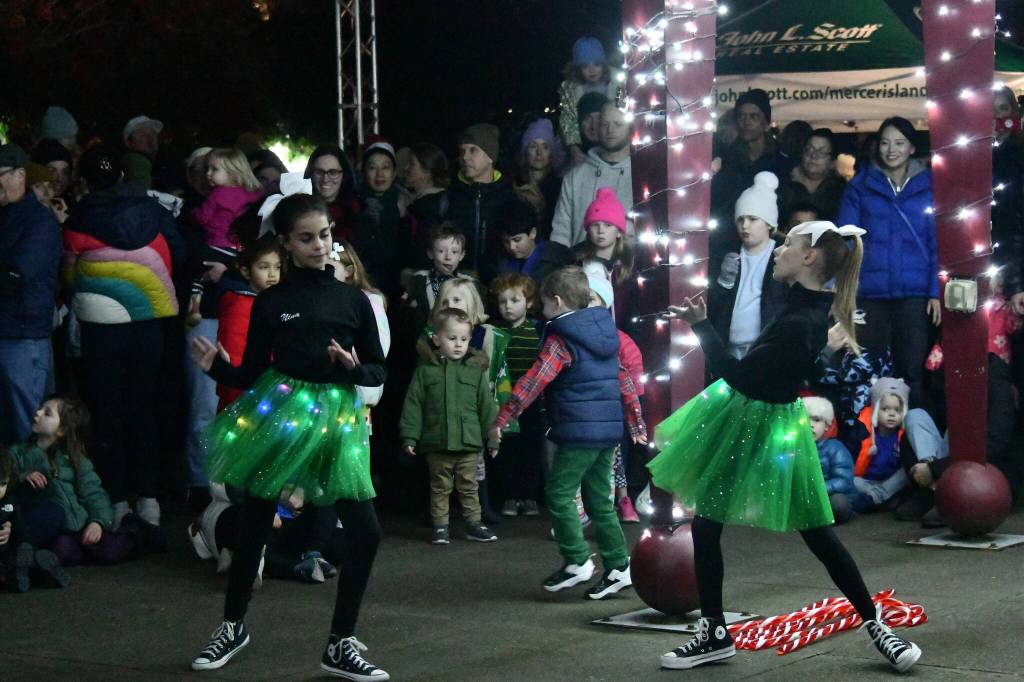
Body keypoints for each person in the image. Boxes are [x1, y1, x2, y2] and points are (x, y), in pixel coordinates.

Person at [649, 221, 921, 672]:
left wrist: (701, 327)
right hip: (761, 420)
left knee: (812, 531)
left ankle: (875, 626)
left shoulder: (801, 320)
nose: (777, 251)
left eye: (787, 245)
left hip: (759, 423)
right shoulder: (804, 308)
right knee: (716, 526)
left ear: (809, 257)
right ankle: (716, 633)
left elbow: (738, 376)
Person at [188, 193, 388, 679]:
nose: (319, 245)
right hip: (282, 412)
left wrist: (353, 368)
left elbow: (378, 368)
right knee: (255, 522)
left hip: (337, 417)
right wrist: (219, 368)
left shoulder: (352, 299)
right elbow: (252, 371)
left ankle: (341, 642)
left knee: (366, 532)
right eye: (306, 238)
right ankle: (232, 626)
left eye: (324, 235)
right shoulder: (272, 302)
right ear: (286, 244)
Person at [489, 266, 647, 600]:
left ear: (557, 302)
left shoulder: (562, 339)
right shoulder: (606, 334)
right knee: (600, 501)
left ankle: (577, 560)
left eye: (543, 302)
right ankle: (619, 565)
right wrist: (635, 423)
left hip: (578, 431)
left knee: (560, 494)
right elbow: (624, 379)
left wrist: (503, 417)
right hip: (608, 432)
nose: (540, 309)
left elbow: (534, 380)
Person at [62, 146, 183, 529]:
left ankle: (116, 501)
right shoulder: (155, 211)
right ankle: (149, 499)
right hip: (149, 323)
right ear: (122, 176)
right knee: (143, 408)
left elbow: (69, 274)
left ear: (85, 182)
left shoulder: (79, 218)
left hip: (100, 326)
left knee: (106, 412)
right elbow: (180, 255)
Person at [836, 117, 940, 408]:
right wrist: (845, 290)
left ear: (911, 148)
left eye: (899, 143)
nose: (891, 150)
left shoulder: (930, 186)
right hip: (869, 293)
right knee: (867, 369)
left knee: (912, 371)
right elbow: (846, 240)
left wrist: (935, 291)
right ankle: (865, 432)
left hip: (914, 294)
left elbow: (936, 242)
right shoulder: (860, 186)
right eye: (885, 143)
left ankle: (913, 434)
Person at [10, 396, 153, 568]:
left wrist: (97, 522)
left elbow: (94, 493)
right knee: (61, 545)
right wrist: (22, 476)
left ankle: (136, 531)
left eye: (47, 413)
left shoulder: (75, 459)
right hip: (50, 526)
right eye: (40, 408)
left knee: (110, 551)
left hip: (80, 525)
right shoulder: (18, 453)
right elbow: (5, 484)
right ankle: (25, 556)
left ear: (62, 429)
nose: (37, 413)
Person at [400, 307, 500, 544]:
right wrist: (410, 436)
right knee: (439, 487)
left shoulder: (474, 371)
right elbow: (413, 406)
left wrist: (493, 437)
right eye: (452, 338)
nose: (458, 344)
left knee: (469, 486)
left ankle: (474, 524)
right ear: (437, 340)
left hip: (468, 442)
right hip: (437, 442)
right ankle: (440, 526)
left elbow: (487, 407)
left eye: (464, 339)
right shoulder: (425, 371)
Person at [0, 143, 62, 447]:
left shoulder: (40, 221)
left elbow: (16, 276)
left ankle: (32, 477)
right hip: (11, 332)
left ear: (20, 175)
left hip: (23, 338)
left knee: (27, 424)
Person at [707, 172, 786, 360]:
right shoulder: (727, 256)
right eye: (740, 219)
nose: (745, 225)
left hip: (768, 351)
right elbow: (711, 306)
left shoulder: (782, 256)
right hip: (729, 349)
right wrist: (723, 282)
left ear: (769, 224)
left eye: (752, 219)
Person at [586, 274, 644, 524]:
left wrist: (632, 409)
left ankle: (622, 499)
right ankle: (589, 505)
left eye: (590, 299)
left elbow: (633, 371)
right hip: (586, 410)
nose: (585, 304)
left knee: (615, 459)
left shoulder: (619, 339)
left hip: (614, 409)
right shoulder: (572, 335)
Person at [489, 274, 544, 517]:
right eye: (503, 301)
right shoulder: (495, 331)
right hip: (503, 402)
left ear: (529, 302)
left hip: (531, 403)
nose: (508, 306)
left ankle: (529, 496)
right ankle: (510, 496)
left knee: (530, 449)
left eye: (515, 300)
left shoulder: (536, 330)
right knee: (507, 450)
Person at [215, 235, 285, 411]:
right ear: (246, 272)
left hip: (270, 394)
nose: (272, 274)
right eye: (264, 267)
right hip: (245, 399)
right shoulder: (240, 306)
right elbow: (234, 356)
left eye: (277, 267)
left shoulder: (275, 303)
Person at [551, 102, 634, 248]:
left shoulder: (641, 177)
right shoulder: (575, 176)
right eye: (604, 124)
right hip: (579, 260)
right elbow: (560, 231)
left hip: (627, 261)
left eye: (618, 124)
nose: (610, 130)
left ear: (630, 127)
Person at [447, 123, 515, 279]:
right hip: (456, 285)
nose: (465, 157)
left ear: (490, 156)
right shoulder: (448, 198)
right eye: (462, 151)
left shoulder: (510, 198)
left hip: (498, 286)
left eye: (473, 150)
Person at [0, 445, 67, 591]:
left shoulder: (9, 501)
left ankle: (36, 566)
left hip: (7, 551)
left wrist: (11, 531)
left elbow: (21, 529)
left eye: (3, 484)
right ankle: (31, 574)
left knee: (21, 553)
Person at [572, 187, 638, 327]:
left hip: (624, 335)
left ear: (619, 232)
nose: (601, 231)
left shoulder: (630, 264)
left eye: (608, 225)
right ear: (588, 229)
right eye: (595, 225)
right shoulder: (576, 264)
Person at [557, 37, 622, 167]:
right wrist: (574, 148)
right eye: (585, 66)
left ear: (603, 65)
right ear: (578, 68)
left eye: (596, 64)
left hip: (613, 140)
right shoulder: (571, 90)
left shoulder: (617, 84)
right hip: (584, 145)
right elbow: (568, 120)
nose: (592, 70)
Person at [354, 140, 406, 293]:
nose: (380, 174)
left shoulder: (405, 205)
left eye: (385, 167)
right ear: (364, 172)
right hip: (362, 285)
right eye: (372, 168)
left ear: (394, 172)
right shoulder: (353, 205)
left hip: (396, 287)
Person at [802, 396, 856, 524]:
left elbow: (844, 481)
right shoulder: (793, 449)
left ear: (826, 425)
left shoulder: (835, 448)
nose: (810, 425)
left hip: (829, 494)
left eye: (816, 420)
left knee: (839, 504)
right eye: (805, 420)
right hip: (804, 495)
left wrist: (819, 489)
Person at [405, 224, 469, 326]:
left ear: (461, 255)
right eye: (441, 251)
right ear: (430, 253)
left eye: (454, 252)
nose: (448, 257)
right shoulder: (420, 280)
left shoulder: (468, 283)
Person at [778, 129, 847, 223]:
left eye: (822, 152)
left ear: (832, 162)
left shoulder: (841, 190)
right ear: (802, 154)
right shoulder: (784, 185)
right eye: (809, 149)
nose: (813, 156)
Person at [515, 118, 565, 239]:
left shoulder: (560, 187)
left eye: (545, 147)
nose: (539, 153)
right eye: (533, 146)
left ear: (551, 153)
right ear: (525, 151)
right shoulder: (515, 185)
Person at [304, 145, 359, 243]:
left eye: (333, 172)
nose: (325, 179)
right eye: (319, 172)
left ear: (344, 176)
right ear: (311, 174)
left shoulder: (359, 210)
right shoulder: (301, 210)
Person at [404, 142, 450, 249]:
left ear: (427, 170)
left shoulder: (428, 207)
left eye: (412, 164)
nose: (406, 168)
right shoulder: (420, 201)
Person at [497, 199, 546, 280]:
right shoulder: (502, 263)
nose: (512, 247)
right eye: (506, 241)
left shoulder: (550, 263)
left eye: (517, 240)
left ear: (533, 233)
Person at [121, 115, 163, 189]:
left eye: (153, 134)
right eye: (142, 135)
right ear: (128, 142)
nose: (150, 139)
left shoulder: (163, 164)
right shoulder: (134, 162)